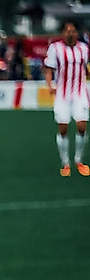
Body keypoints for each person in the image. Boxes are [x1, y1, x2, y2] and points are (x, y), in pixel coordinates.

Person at [43, 19, 89, 177]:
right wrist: (49, 84)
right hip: (62, 94)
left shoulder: (84, 48)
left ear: (77, 33)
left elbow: (85, 68)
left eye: (73, 30)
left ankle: (78, 160)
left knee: (82, 126)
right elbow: (49, 69)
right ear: (63, 33)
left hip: (80, 93)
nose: (71, 33)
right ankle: (65, 163)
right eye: (68, 30)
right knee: (63, 129)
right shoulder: (55, 48)